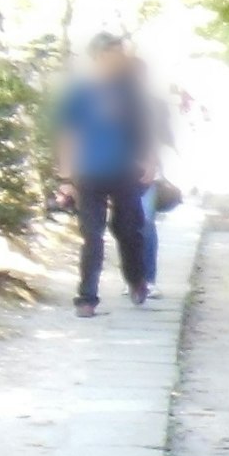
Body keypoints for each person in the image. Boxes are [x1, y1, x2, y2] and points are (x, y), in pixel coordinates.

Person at [54, 34, 167, 315]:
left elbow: (146, 126)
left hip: (125, 169)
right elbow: (68, 133)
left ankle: (137, 279)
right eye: (116, 54)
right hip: (88, 171)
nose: (121, 59)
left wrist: (151, 160)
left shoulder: (129, 89)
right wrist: (66, 179)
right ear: (100, 56)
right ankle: (87, 298)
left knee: (129, 230)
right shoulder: (80, 91)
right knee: (91, 235)